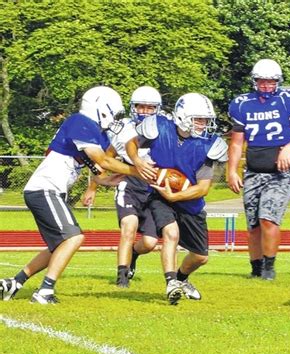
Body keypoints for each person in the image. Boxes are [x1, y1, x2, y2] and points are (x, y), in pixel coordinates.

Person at [0, 86, 150, 304]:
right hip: (44, 188)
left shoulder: (94, 131)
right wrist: (138, 171)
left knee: (59, 245)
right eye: (113, 113)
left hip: (51, 190)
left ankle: (15, 282)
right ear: (100, 108)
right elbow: (104, 160)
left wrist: (102, 180)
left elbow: (100, 167)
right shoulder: (80, 121)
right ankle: (45, 292)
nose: (115, 119)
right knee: (74, 238)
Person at [126, 92, 228, 305]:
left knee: (200, 257)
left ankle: (181, 279)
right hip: (159, 194)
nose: (204, 124)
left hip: (190, 203)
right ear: (183, 116)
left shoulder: (207, 144)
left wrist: (176, 195)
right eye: (199, 119)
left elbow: (203, 188)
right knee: (170, 233)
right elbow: (132, 144)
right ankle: (171, 282)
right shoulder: (160, 127)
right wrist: (137, 161)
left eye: (206, 120)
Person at [227, 59, 290, 280]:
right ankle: (255, 270)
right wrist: (232, 170)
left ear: (278, 81)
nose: (266, 86)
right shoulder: (243, 103)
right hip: (254, 170)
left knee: (268, 218)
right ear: (255, 81)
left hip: (281, 172)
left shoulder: (288, 101)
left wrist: (288, 149)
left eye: (271, 82)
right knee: (253, 224)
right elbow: (236, 143)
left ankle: (269, 270)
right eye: (262, 81)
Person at [82, 86, 165, 288]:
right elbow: (104, 160)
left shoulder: (165, 129)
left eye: (149, 107)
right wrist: (93, 186)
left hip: (154, 188)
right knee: (129, 227)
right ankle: (122, 276)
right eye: (140, 106)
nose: (144, 111)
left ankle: (133, 254)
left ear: (158, 109)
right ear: (132, 107)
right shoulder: (122, 129)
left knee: (149, 242)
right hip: (129, 184)